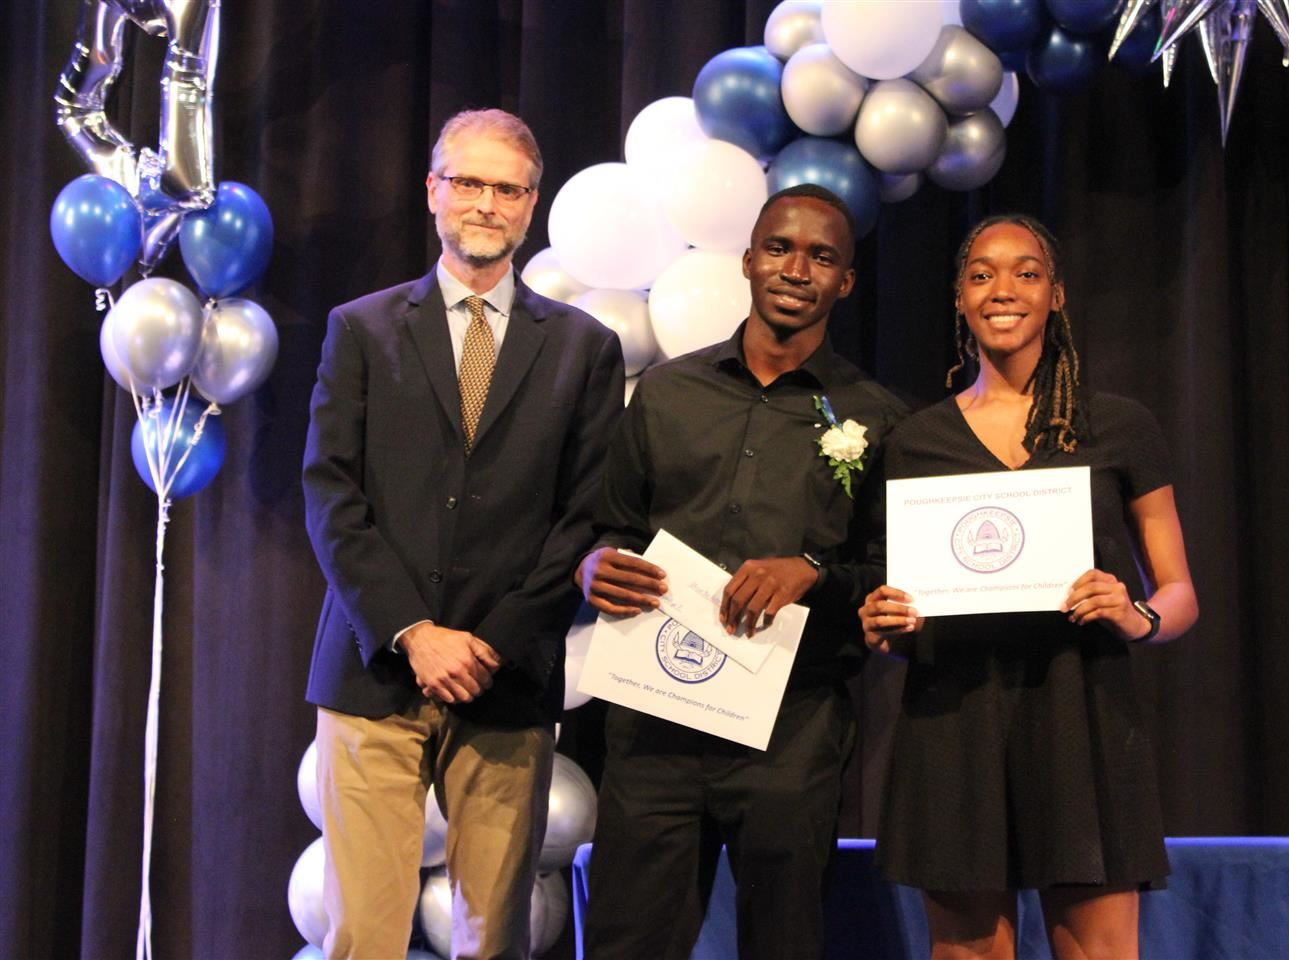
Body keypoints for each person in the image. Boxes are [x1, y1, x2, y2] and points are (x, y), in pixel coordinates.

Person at [301, 108, 625, 960]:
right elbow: (332, 494)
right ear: (433, 193)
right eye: (469, 182)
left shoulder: (584, 348)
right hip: (377, 668)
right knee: (361, 936)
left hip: (506, 677)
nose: (486, 203)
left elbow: (585, 515)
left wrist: (492, 641)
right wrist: (415, 633)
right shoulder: (361, 329)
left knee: (495, 940)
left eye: (506, 188)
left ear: (531, 204)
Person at [574, 184, 909, 960]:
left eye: (823, 256)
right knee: (630, 942)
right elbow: (611, 527)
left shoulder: (877, 415)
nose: (798, 268)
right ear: (751, 259)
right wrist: (594, 566)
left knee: (782, 942)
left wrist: (815, 572)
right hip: (655, 719)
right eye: (782, 248)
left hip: (792, 725)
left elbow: (890, 571)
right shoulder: (666, 392)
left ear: (846, 282)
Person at [859, 214, 1199, 960]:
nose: (1002, 289)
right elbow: (897, 608)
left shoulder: (1119, 427)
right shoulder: (915, 442)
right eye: (981, 274)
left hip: (1083, 720)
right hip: (953, 721)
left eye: (1025, 272)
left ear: (1057, 295)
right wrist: (883, 622)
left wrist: (1135, 612)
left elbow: (1178, 594)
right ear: (958, 299)